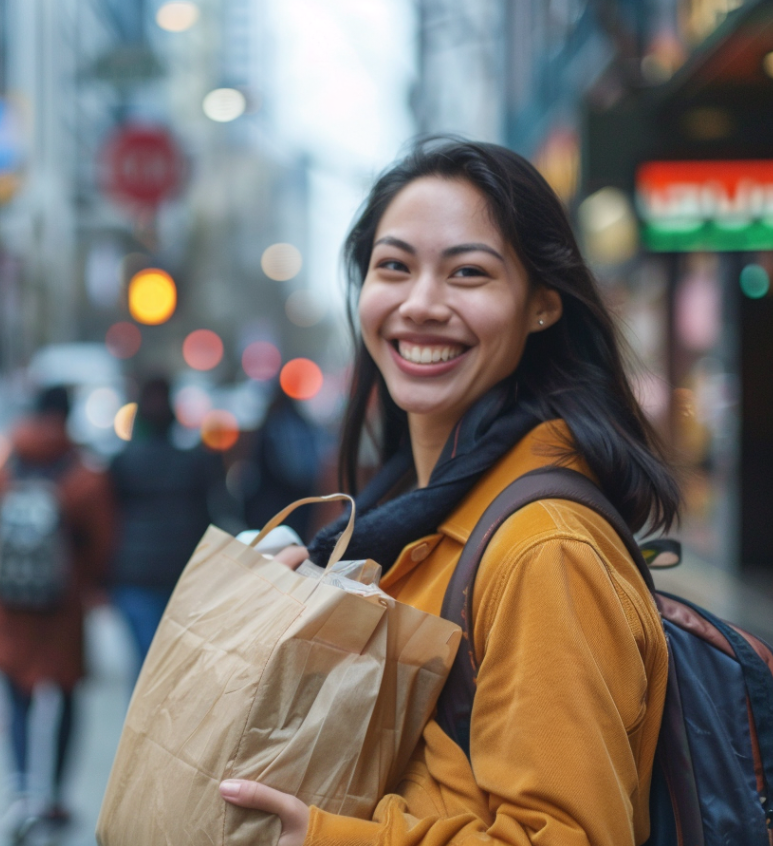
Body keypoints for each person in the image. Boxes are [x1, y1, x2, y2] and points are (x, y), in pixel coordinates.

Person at [219, 139, 679, 846]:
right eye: (393, 267)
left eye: (468, 273)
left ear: (541, 306)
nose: (420, 304)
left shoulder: (543, 550)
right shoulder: (399, 514)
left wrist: (321, 838)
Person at [0, 385, 115, 836]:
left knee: (16, 697)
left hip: (10, 609)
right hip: (61, 610)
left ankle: (20, 793)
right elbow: (103, 542)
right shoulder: (83, 475)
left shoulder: (6, 467)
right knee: (66, 696)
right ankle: (54, 796)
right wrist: (86, 583)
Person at [108, 376, 225, 679]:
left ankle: (139, 725)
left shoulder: (122, 464)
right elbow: (213, 514)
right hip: (181, 573)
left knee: (144, 668)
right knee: (176, 669)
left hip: (136, 574)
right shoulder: (195, 462)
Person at [242, 386, 323, 540]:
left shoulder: (271, 426)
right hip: (295, 507)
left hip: (272, 507)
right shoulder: (298, 424)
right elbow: (302, 469)